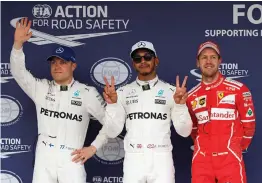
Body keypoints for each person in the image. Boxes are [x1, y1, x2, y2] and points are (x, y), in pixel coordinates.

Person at [10, 18, 108, 183]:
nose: (57, 66)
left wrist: (93, 148)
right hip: (44, 159)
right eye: (54, 62)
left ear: (73, 66)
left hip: (72, 158)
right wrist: (17, 46)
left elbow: (111, 123)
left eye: (63, 62)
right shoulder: (40, 88)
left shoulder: (87, 93)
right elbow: (18, 72)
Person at [102, 40, 193, 183]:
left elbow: (185, 131)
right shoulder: (122, 93)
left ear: (156, 60)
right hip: (134, 159)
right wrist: (112, 105)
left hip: (161, 159)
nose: (143, 61)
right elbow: (112, 132)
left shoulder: (172, 92)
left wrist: (181, 106)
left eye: (147, 57)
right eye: (137, 58)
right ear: (133, 64)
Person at [187, 41, 256, 183]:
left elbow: (249, 126)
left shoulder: (238, 89)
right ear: (197, 62)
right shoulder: (191, 95)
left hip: (229, 159)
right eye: (204, 57)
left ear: (220, 61)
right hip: (202, 161)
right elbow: (193, 129)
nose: (208, 61)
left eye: (213, 57)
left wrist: (233, 148)